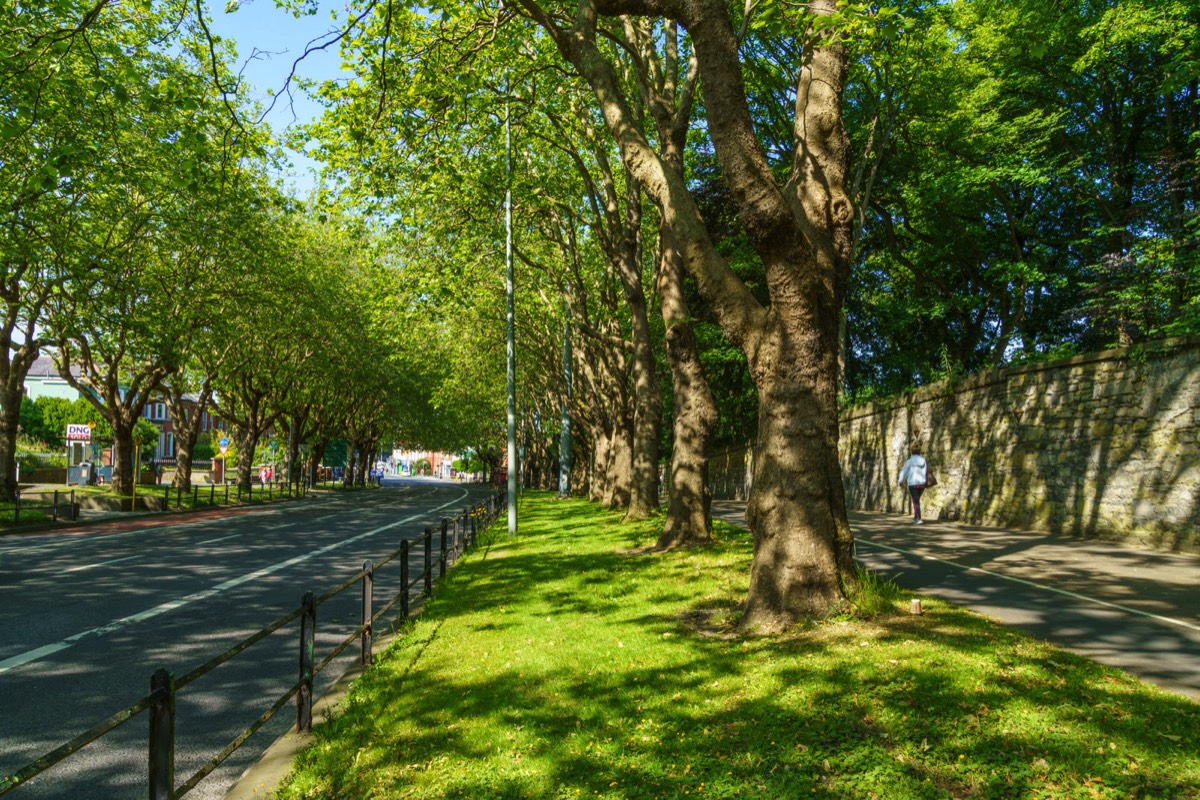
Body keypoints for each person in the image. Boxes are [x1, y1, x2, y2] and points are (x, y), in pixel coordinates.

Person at [898, 442, 928, 524]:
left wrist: (901, 481)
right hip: (922, 483)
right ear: (919, 451)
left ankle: (918, 518)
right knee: (916, 500)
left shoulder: (910, 461)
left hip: (913, 483)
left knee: (915, 501)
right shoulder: (924, 461)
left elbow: (904, 472)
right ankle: (916, 516)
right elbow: (926, 472)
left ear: (911, 451)